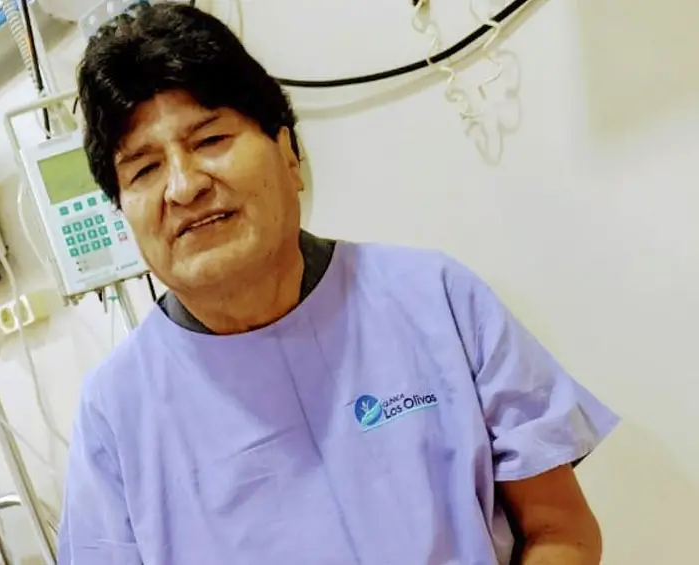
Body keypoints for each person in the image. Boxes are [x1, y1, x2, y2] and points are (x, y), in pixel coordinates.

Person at [59, 4, 619, 564]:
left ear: (289, 154)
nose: (184, 187)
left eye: (210, 139)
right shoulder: (115, 414)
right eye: (144, 169)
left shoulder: (435, 299)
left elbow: (559, 530)